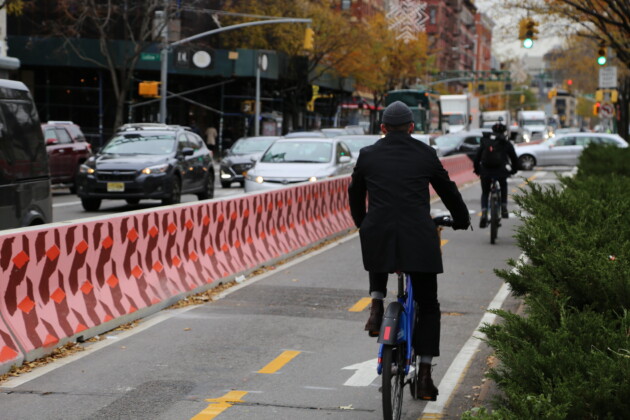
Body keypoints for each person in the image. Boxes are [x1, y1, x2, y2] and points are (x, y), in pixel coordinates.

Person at [348, 101, 471, 401]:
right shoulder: (425, 154)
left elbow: (355, 192)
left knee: (378, 243)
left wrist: (363, 223)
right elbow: (448, 189)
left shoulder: (368, 154)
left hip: (378, 233)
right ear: (412, 128)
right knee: (428, 305)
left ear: (383, 128)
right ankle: (425, 376)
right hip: (418, 238)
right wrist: (461, 219)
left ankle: (376, 306)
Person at [473, 118, 519, 227]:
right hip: (501, 171)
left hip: (485, 171)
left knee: (485, 192)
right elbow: (514, 158)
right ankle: (503, 206)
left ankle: (484, 212)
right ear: (504, 131)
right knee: (503, 185)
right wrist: (514, 170)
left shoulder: (485, 141)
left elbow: (477, 157)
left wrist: (477, 170)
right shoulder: (505, 142)